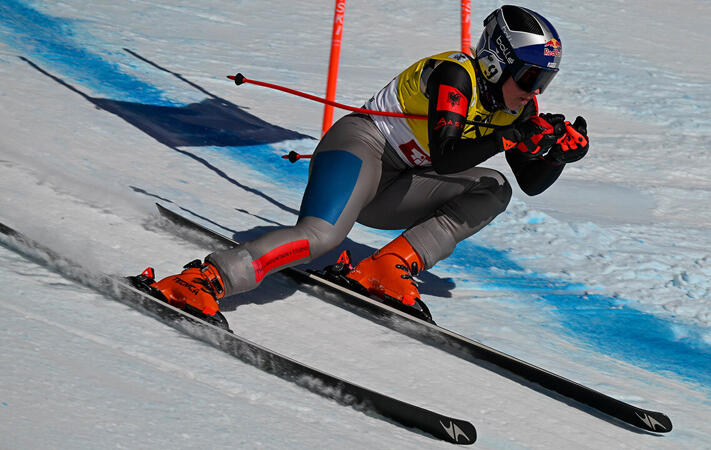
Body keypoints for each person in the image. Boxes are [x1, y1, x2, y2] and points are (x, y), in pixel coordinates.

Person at [139, 5, 589, 325]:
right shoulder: (456, 76)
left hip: (398, 183)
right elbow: (449, 154)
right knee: (321, 238)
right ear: (495, 63)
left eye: (545, 79)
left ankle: (385, 268)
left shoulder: (516, 106)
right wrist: (510, 136)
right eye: (531, 76)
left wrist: (557, 157)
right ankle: (202, 279)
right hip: (360, 148)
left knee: (495, 188)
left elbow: (530, 183)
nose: (537, 91)